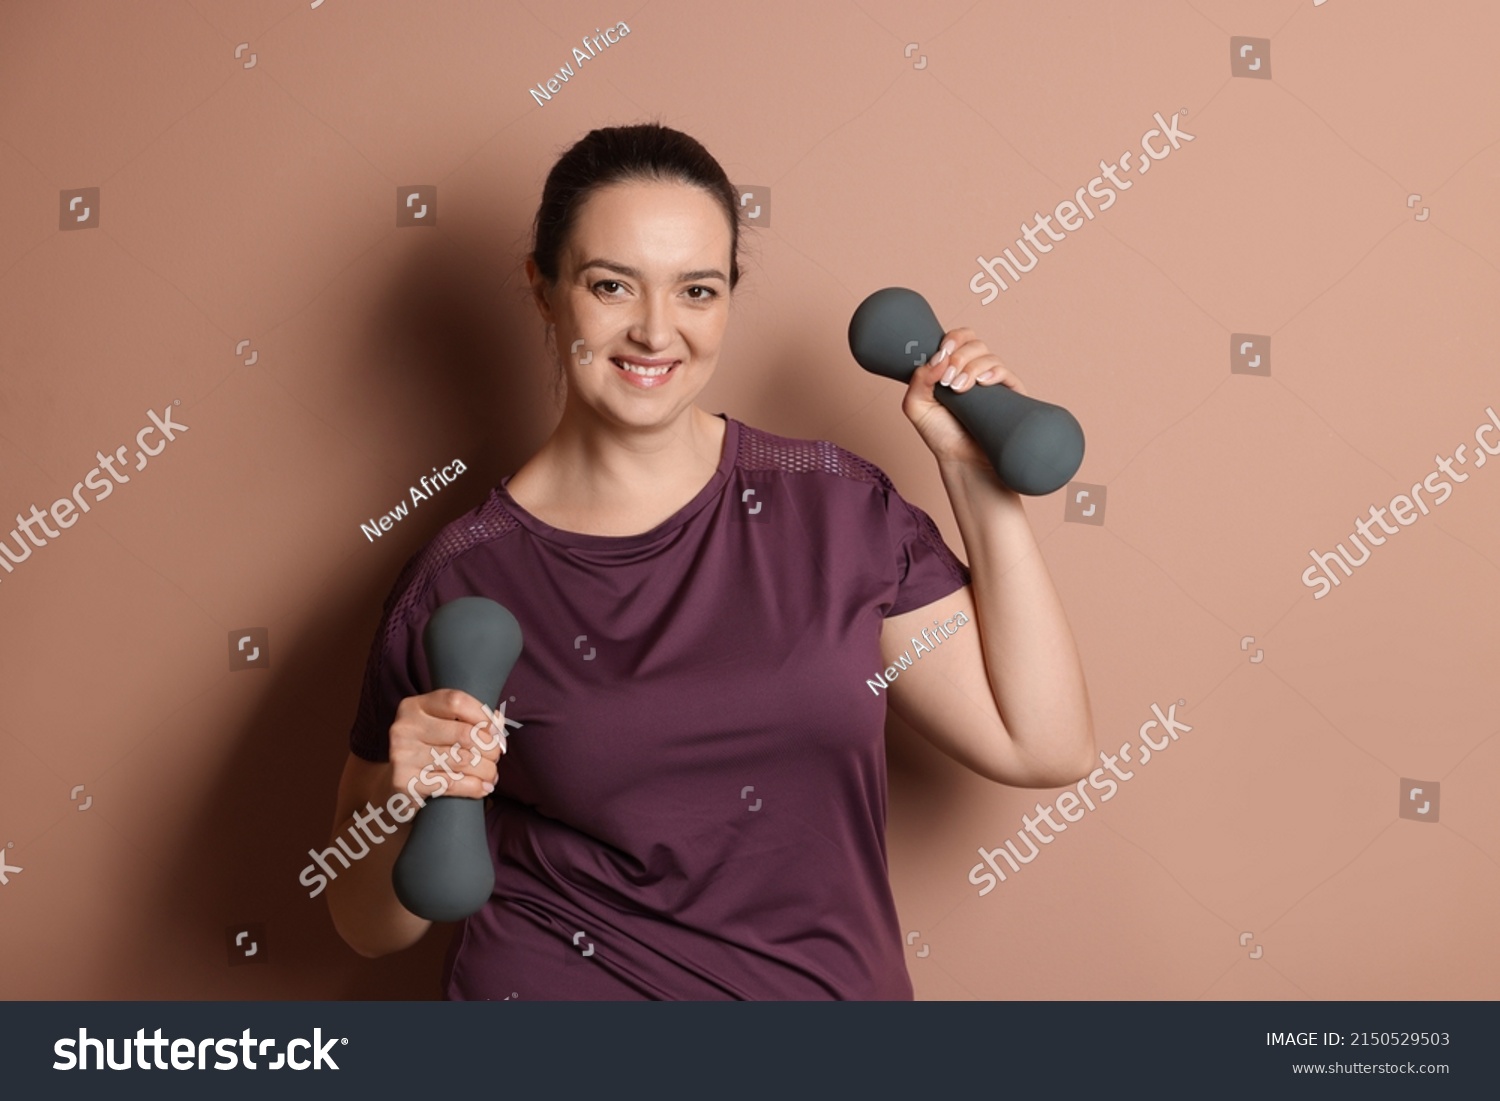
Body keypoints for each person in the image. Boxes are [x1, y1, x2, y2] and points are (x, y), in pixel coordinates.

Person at [325, 120, 1095, 1000]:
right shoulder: (461, 579)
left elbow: (1047, 744)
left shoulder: (835, 508)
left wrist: (969, 469)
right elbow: (365, 923)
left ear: (729, 296)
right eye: (612, 285)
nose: (657, 332)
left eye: (696, 290)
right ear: (542, 290)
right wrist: (401, 789)